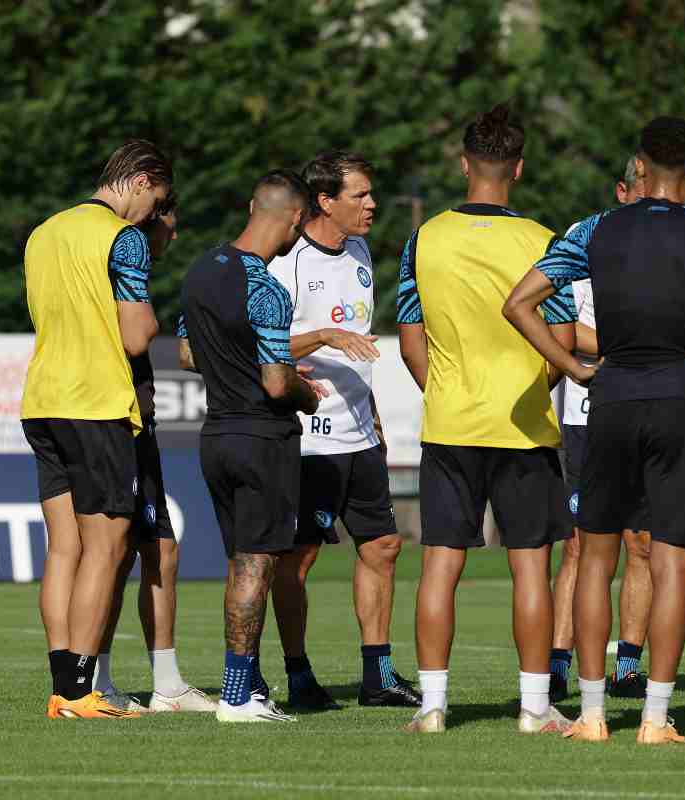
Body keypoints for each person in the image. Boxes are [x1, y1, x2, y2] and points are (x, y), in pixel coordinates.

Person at [506, 116, 685, 745]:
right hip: (678, 401)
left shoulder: (593, 230)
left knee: (594, 559)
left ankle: (589, 716)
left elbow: (518, 303)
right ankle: (657, 719)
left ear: (639, 165)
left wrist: (572, 368)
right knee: (670, 562)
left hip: (609, 398)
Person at [396, 103, 577, 735]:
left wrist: (443, 388)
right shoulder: (544, 240)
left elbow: (410, 332)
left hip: (450, 423)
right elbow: (563, 337)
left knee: (441, 564)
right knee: (531, 566)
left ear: (464, 161)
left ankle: (432, 706)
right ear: (518, 168)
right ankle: (533, 708)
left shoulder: (425, 238)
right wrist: (534, 384)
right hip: (523, 424)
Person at [549, 156, 685, 703]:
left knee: (644, 545)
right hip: (591, 413)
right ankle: (558, 661)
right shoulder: (588, 236)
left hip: (662, 399)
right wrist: (644, 349)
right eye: (641, 185)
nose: (652, 195)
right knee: (582, 545)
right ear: (623, 189)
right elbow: (565, 327)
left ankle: (627, 663)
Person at [22, 139, 171, 719]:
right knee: (107, 545)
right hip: (95, 401)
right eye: (154, 200)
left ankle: (63, 685)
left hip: (42, 399)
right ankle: (82, 689)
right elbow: (135, 336)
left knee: (64, 548)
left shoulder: (44, 232)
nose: (153, 215)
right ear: (138, 180)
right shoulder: (122, 237)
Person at [266, 150, 420, 710]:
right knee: (298, 560)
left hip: (360, 432)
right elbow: (264, 347)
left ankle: (377, 674)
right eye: (359, 195)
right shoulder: (287, 262)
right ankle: (298, 672)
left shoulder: (358, 252)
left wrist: (373, 408)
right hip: (308, 438)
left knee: (382, 545)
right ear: (324, 201)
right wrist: (322, 338)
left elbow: (357, 341)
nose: (372, 204)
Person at [178, 169, 325, 723]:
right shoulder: (266, 287)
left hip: (215, 434)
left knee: (241, 563)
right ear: (293, 218)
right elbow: (273, 381)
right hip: (261, 437)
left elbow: (188, 355)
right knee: (256, 565)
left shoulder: (198, 272)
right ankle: (237, 697)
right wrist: (305, 392)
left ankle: (251, 686)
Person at [93, 193, 218, 713]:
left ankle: (166, 683)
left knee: (160, 548)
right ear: (152, 221)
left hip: (139, 423)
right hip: (111, 421)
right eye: (171, 222)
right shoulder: (123, 254)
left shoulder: (129, 266)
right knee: (110, 554)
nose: (176, 234)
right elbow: (137, 337)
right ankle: (93, 680)